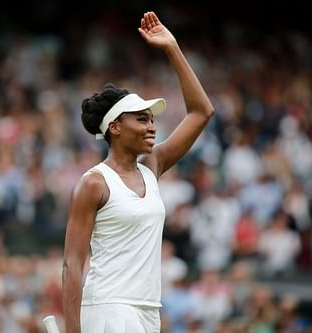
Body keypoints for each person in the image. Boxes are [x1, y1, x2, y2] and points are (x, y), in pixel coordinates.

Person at [62, 11, 214, 333]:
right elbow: (72, 264)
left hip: (148, 311)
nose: (152, 127)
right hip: (109, 309)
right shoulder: (93, 183)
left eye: (152, 120)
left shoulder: (152, 168)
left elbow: (202, 111)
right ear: (115, 127)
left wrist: (171, 47)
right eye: (142, 119)